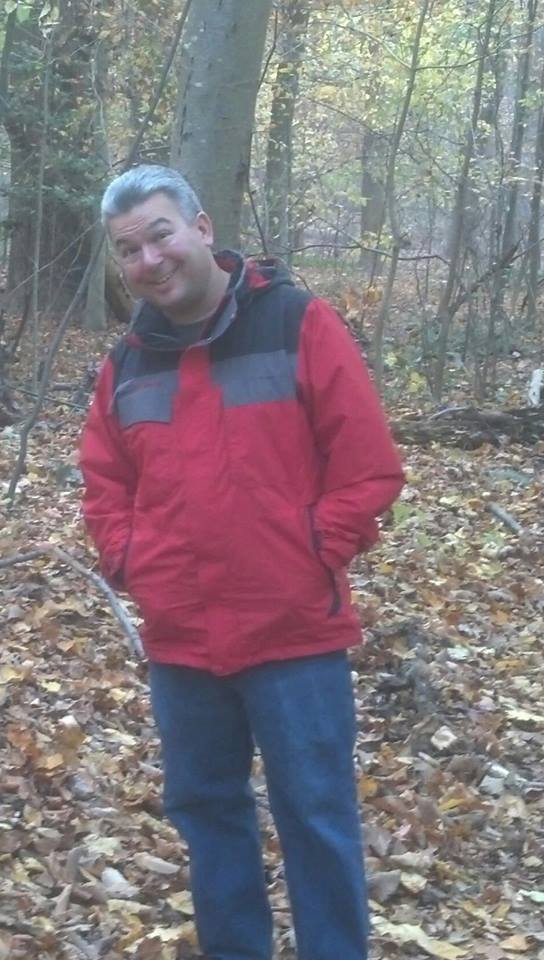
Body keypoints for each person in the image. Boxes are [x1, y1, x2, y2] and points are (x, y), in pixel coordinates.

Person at [79, 164, 404, 960]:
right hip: (183, 643)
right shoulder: (128, 361)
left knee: (317, 819)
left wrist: (310, 555)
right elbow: (104, 480)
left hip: (294, 635)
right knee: (207, 812)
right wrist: (131, 561)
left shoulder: (296, 322)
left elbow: (368, 466)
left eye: (161, 235)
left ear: (202, 228)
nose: (150, 260)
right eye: (129, 250)